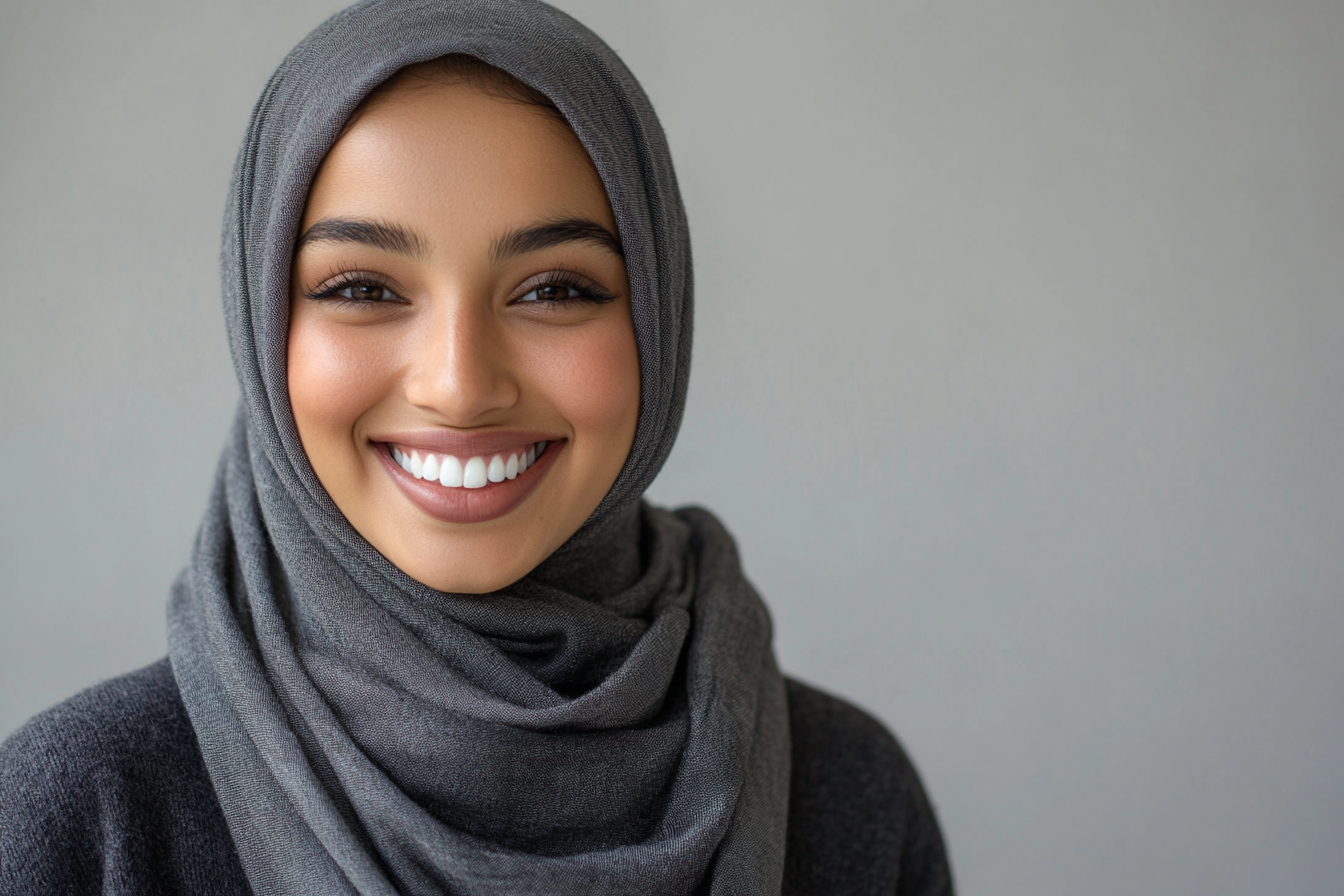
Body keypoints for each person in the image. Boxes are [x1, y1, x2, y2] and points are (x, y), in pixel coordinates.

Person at [0, 1, 953, 893]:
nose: (459, 384)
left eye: (555, 289)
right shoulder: (90, 811)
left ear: (661, 318)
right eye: (363, 289)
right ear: (261, 323)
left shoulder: (849, 794)